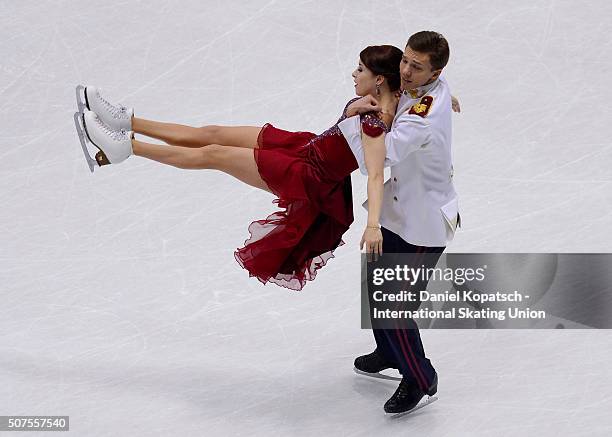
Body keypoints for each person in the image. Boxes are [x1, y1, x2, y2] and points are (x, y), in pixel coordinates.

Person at [73, 45, 405, 290]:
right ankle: (126, 120)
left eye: (360, 69)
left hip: (305, 174)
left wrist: (373, 224)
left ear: (378, 79)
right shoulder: (393, 98)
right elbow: (420, 92)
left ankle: (125, 147)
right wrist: (443, 98)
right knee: (212, 133)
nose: (353, 73)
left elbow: (375, 175)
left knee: (214, 153)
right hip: (302, 146)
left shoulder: (375, 125)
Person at [339, 31, 460, 414]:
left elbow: (377, 158)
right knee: (376, 285)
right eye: (405, 60)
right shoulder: (428, 86)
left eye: (415, 66)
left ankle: (421, 378)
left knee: (394, 306)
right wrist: (443, 93)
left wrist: (352, 114)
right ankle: (389, 352)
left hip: (422, 224)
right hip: (399, 210)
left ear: (434, 71)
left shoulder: (422, 119)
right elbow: (422, 92)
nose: (404, 71)